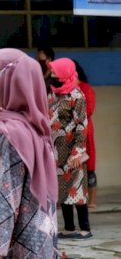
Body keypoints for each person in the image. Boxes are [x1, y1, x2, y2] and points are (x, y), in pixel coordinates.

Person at [0, 48, 59, 257]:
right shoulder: (37, 131)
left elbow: (7, 202)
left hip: (15, 250)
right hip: (38, 246)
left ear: (7, 83)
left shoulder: (13, 135)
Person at [49, 57, 92, 239]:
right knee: (63, 190)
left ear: (64, 74)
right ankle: (69, 228)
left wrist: (77, 152)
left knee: (77, 189)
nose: (51, 77)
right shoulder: (53, 94)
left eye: (54, 73)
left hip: (72, 151)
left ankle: (85, 228)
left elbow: (82, 125)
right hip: (57, 151)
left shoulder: (77, 96)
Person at [73, 60, 97, 210]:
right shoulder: (63, 89)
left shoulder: (85, 88)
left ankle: (92, 200)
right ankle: (69, 199)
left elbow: (89, 110)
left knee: (88, 165)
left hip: (84, 130)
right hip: (68, 133)